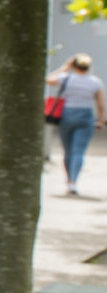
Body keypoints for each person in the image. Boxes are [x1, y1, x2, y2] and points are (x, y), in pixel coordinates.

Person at [46, 53, 105, 195]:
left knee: (68, 150)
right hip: (86, 117)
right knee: (79, 151)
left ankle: (69, 180)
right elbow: (101, 105)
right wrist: (101, 121)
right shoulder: (95, 82)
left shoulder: (66, 78)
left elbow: (48, 80)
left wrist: (65, 68)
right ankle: (73, 182)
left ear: (74, 66)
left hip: (67, 115)